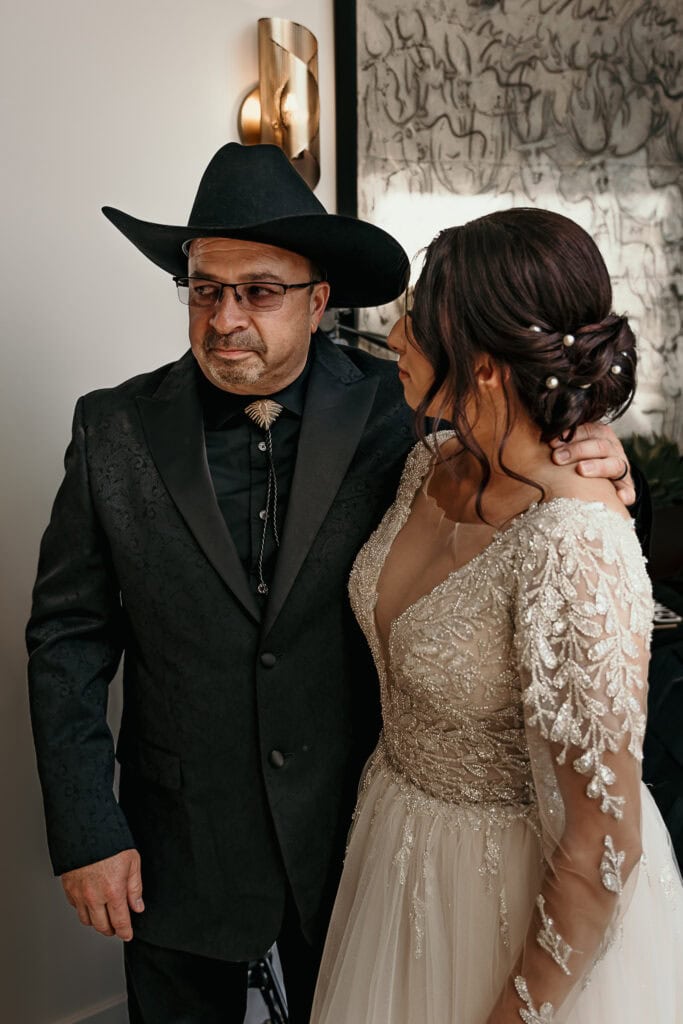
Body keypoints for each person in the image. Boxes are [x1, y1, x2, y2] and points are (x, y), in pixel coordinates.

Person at [26, 147, 636, 1024]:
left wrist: (613, 470)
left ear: (318, 302)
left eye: (259, 291)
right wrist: (87, 826)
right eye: (204, 289)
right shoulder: (112, 427)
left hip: (361, 844)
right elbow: (67, 638)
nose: (224, 318)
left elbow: (533, 495)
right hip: (177, 845)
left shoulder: (408, 410)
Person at [310, 209, 683, 1023]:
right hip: (398, 847)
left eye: (416, 322)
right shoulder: (427, 462)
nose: (393, 338)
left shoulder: (575, 542)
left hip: (515, 899)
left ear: (481, 365)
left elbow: (599, 846)